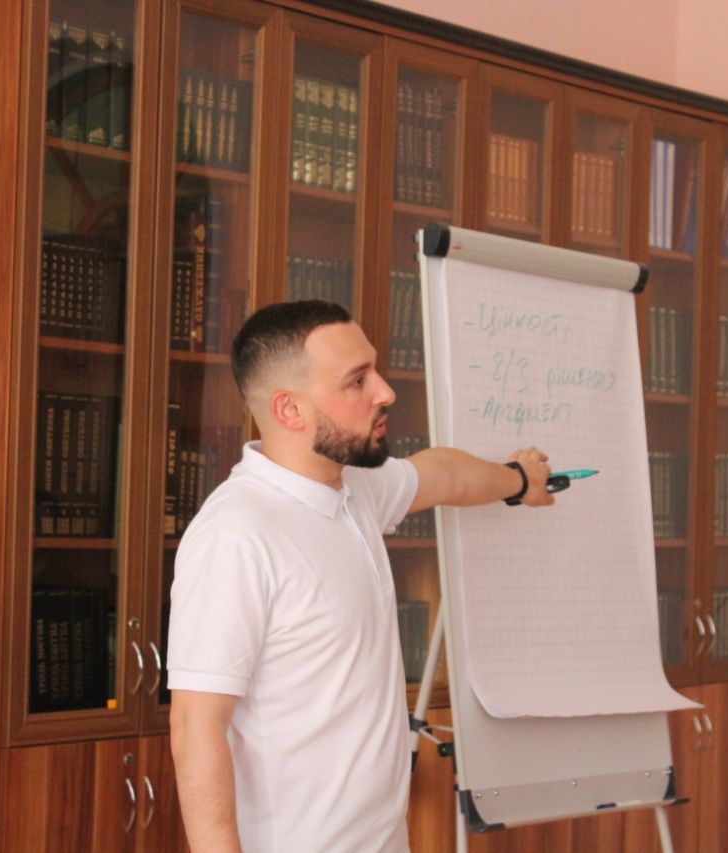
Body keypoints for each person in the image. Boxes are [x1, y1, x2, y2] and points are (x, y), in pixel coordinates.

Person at [168, 300, 554, 852]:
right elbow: (195, 728)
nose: (385, 392)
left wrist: (517, 479)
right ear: (289, 410)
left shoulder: (354, 490)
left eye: (374, 371)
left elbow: (443, 474)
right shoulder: (236, 535)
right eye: (357, 381)